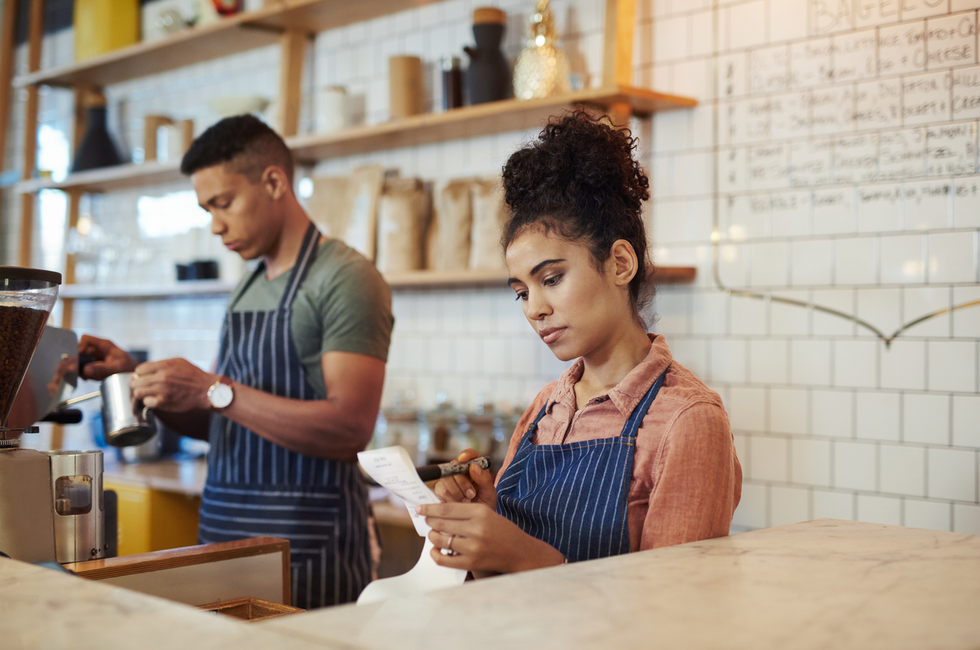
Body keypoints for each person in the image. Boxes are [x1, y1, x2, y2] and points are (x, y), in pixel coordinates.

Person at [79, 115, 393, 608]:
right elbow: (228, 423)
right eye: (207, 209)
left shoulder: (345, 278)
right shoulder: (248, 285)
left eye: (223, 203)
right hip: (225, 540)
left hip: (307, 551)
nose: (215, 225)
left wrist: (211, 389)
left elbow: (350, 429)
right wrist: (150, 389)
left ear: (273, 182)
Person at [417, 111, 742, 574]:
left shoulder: (688, 421)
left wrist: (524, 557)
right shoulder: (544, 409)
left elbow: (675, 614)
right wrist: (485, 518)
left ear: (620, 264)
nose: (535, 309)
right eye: (522, 293)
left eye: (552, 278)